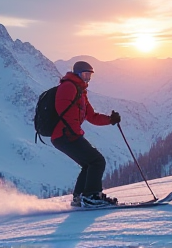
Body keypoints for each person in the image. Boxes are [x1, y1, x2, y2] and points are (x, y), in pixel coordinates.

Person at [51, 61, 121, 207]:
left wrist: (110, 120)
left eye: (89, 75)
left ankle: (79, 198)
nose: (87, 78)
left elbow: (92, 116)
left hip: (67, 135)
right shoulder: (68, 87)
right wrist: (75, 132)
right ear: (77, 73)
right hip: (65, 135)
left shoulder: (80, 91)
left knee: (89, 164)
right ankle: (92, 196)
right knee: (97, 161)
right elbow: (63, 111)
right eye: (85, 74)